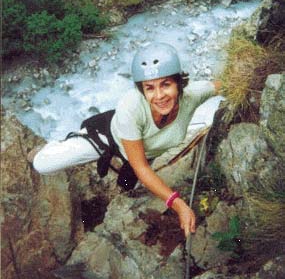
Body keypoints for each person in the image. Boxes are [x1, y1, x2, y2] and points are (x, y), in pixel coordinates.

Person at [29, 42, 221, 237]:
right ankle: (60, 145)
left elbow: (231, 83)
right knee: (43, 164)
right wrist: (178, 204)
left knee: (129, 189)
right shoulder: (131, 106)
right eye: (150, 88)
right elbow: (142, 168)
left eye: (166, 84)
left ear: (179, 83)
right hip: (108, 138)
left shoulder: (193, 95)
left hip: (145, 153)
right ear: (141, 90)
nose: (159, 96)